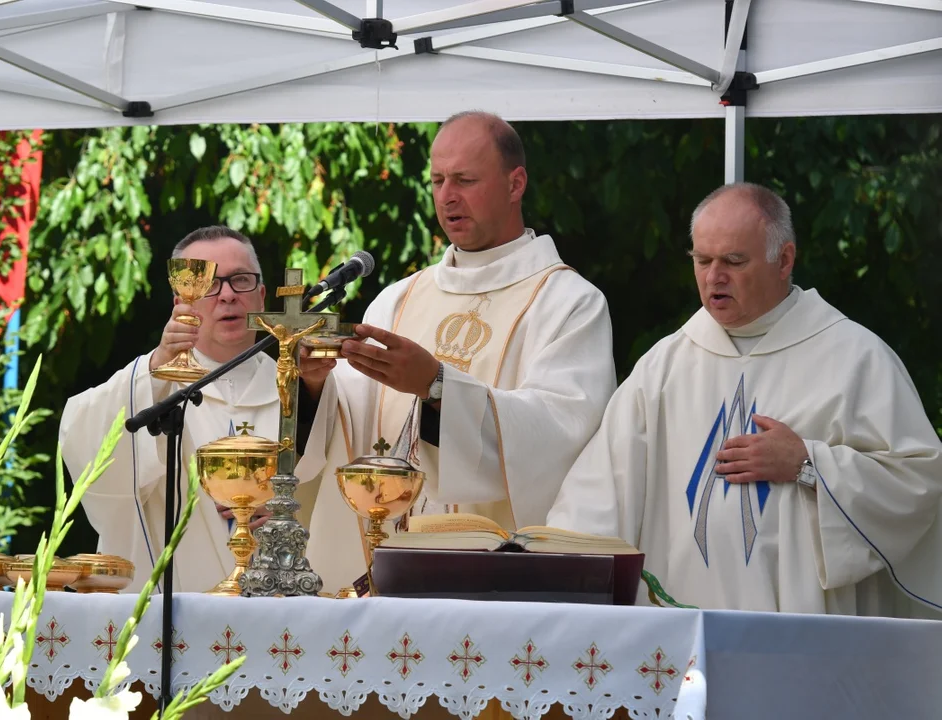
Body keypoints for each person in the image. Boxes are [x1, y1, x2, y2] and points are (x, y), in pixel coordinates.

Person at [546, 183, 942, 617]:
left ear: (784, 260)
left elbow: (917, 481)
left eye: (734, 261)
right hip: (679, 637)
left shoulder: (854, 359)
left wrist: (807, 465)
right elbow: (598, 496)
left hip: (803, 634)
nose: (714, 277)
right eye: (702, 260)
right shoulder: (663, 367)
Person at [297, 111, 617, 594]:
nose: (448, 196)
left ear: (516, 184)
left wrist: (438, 387)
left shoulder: (569, 303)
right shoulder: (399, 298)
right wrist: (316, 385)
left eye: (465, 180)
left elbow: (563, 436)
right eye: (438, 180)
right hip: (378, 568)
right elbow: (352, 425)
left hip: (494, 582)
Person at [59, 225, 324, 593]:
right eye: (209, 284)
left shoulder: (305, 389)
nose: (228, 295)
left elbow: (331, 472)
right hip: (174, 616)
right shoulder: (153, 387)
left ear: (262, 295)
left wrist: (282, 506)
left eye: (241, 280)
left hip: (284, 613)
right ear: (181, 303)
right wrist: (155, 365)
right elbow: (82, 434)